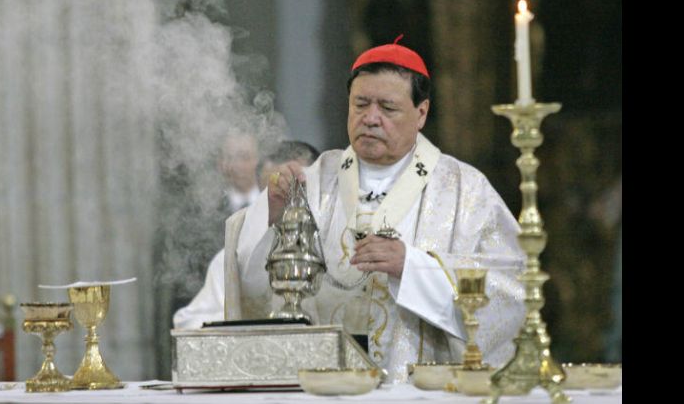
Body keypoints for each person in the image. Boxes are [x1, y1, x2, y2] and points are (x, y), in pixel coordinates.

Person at [194, 37, 525, 383]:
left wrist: (413, 267)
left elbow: (510, 291)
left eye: (388, 107)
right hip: (324, 388)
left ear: (421, 113)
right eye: (360, 104)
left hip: (420, 391)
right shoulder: (315, 181)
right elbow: (252, 286)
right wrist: (268, 213)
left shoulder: (464, 191)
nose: (371, 118)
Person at [173, 140, 321, 329]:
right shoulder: (237, 255)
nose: (284, 203)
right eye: (272, 194)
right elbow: (188, 323)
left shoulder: (341, 247)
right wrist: (242, 319)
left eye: (298, 191)